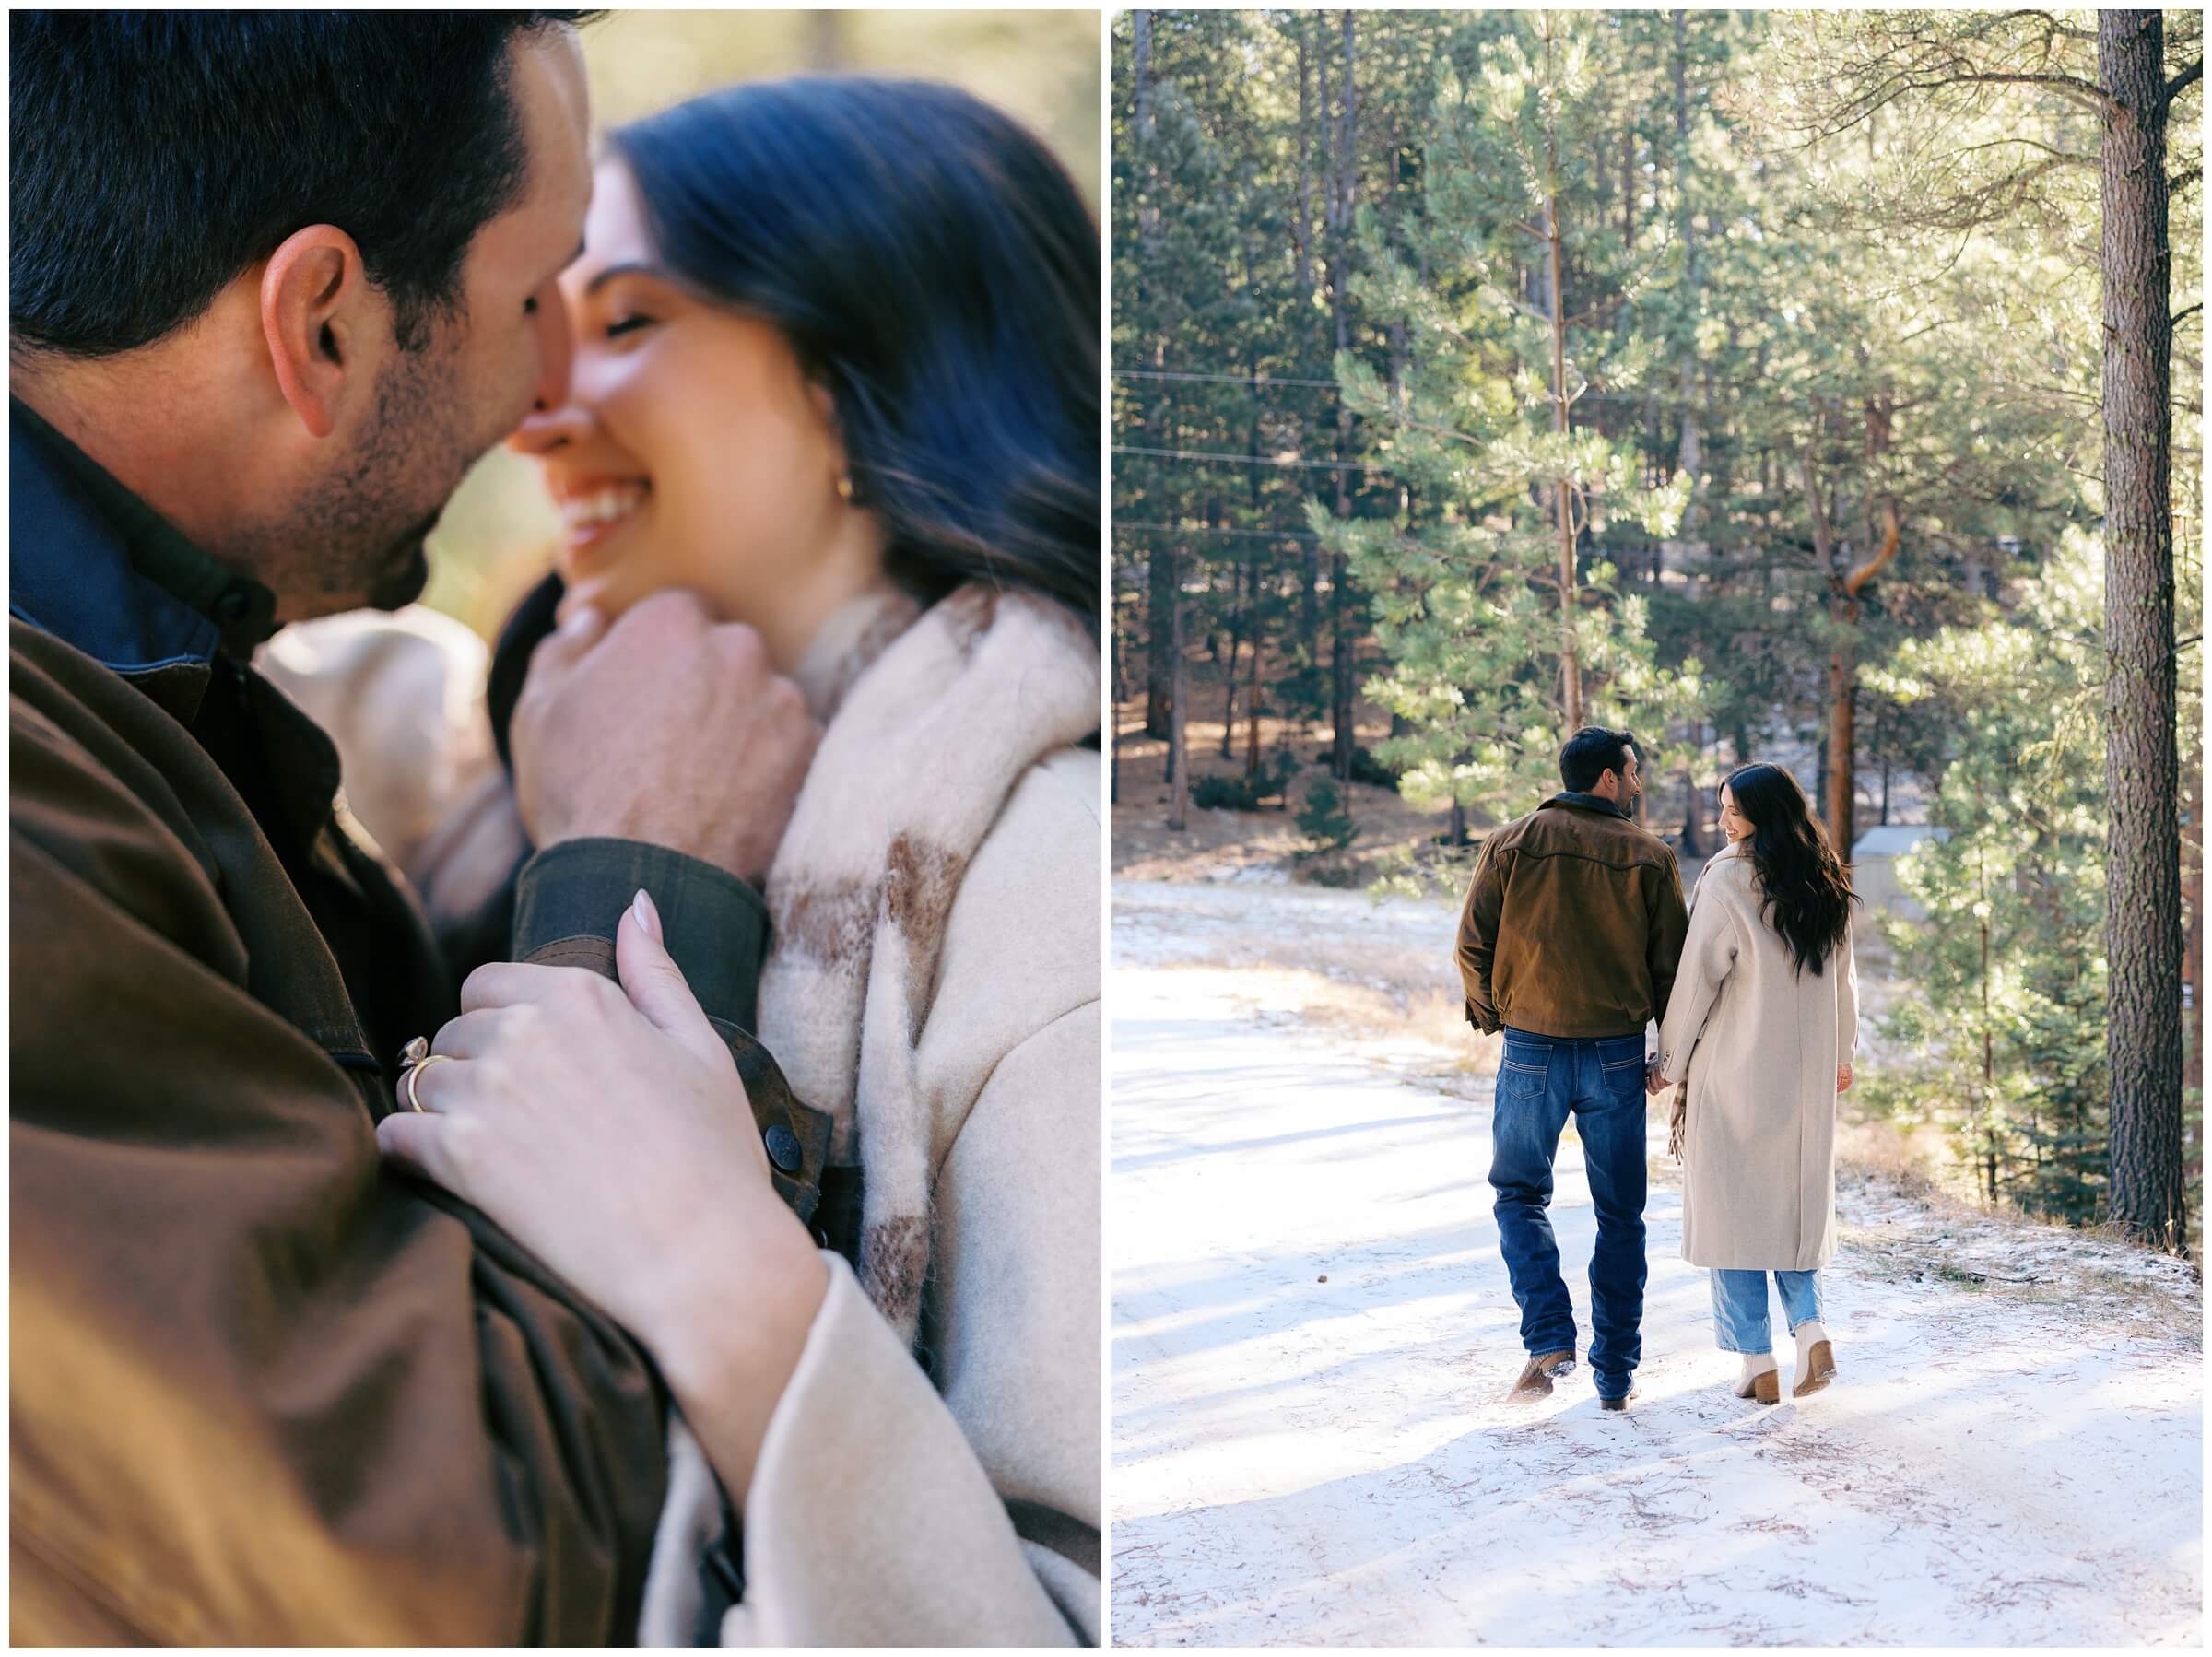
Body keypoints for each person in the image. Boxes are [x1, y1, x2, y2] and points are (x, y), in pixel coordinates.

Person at [8, 14, 825, 1641]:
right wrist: (636, 878)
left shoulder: (149, 692)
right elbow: (493, 1567)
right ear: (319, 320)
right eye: (535, 297)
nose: (544, 393)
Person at [306, 79, 1102, 1644]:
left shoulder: (1050, 893)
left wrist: (719, 1269)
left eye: (626, 318)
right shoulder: (509, 778)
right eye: (538, 314)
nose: (536, 401)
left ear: (857, 375)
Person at [1455, 726, 1690, 1412]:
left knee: (1518, 1194)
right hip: (1616, 1051)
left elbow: (1472, 942)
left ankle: (1548, 1337)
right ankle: (1615, 1374)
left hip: (1532, 1045)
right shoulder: (1650, 857)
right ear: (1608, 779)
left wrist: (1499, 1016)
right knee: (1622, 1214)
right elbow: (1670, 969)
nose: (1639, 784)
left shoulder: (1511, 841)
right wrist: (1666, 1055)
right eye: (1634, 772)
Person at [1655, 764, 1859, 1405]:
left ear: (1762, 815)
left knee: (1731, 1214)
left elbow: (1697, 981)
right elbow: (1845, 981)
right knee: (1793, 1211)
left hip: (1734, 1069)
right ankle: (1812, 1330)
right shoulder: (1824, 875)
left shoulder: (1727, 878)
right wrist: (1843, 1053)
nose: (1723, 823)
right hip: (1805, 1076)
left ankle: (1756, 1362)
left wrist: (1670, 1060)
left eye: (1732, 813)